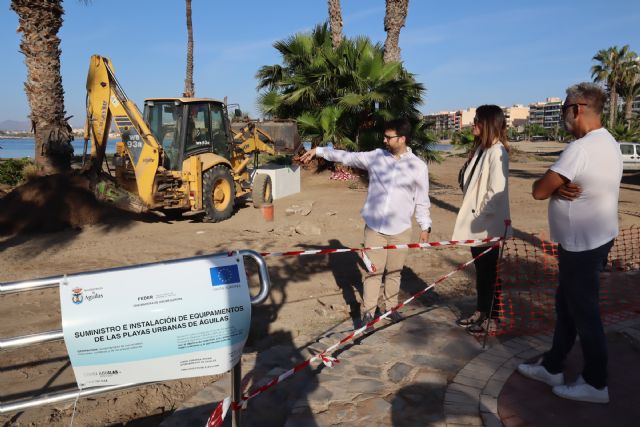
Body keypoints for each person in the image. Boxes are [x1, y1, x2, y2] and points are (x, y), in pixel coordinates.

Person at [517, 82, 622, 404]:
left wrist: (553, 188)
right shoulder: (610, 143)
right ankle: (552, 366)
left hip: (582, 246)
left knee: (585, 313)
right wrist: (561, 188)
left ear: (576, 109)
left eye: (564, 109)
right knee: (567, 307)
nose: (564, 114)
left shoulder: (581, 148)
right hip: (596, 240)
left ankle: (595, 382)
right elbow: (581, 182)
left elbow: (538, 190)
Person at [299, 118, 432, 327]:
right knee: (373, 272)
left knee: (395, 272)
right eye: (385, 136)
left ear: (402, 139)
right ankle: (368, 312)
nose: (385, 140)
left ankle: (391, 309)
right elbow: (347, 157)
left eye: (389, 137)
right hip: (375, 229)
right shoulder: (376, 157)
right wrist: (319, 151)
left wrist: (425, 226)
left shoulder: (418, 166)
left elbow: (422, 199)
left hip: (401, 230)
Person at [452, 105, 511, 334]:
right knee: (482, 271)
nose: (472, 124)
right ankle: (481, 311)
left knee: (490, 273)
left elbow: (495, 192)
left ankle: (493, 316)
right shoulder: (482, 149)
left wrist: (478, 217)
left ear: (487, 124)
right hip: (476, 225)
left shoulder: (497, 152)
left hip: (486, 226)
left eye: (476, 121)